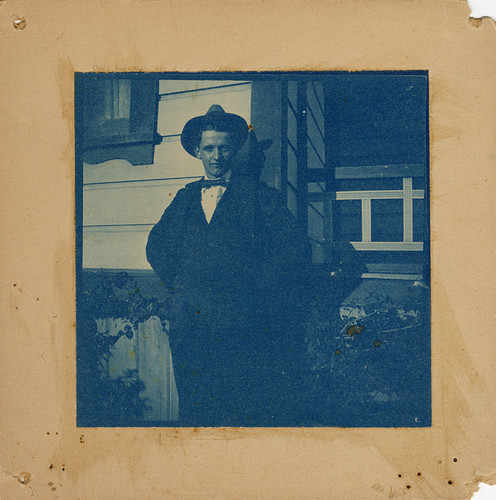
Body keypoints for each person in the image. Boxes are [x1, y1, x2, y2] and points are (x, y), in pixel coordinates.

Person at [146, 105, 311, 426]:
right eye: (209, 148)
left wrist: (252, 286)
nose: (217, 156)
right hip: (190, 327)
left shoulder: (260, 196)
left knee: (237, 412)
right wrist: (183, 287)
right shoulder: (184, 198)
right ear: (198, 151)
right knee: (195, 411)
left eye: (223, 148)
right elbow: (156, 247)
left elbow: (296, 248)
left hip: (242, 326)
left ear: (234, 151)